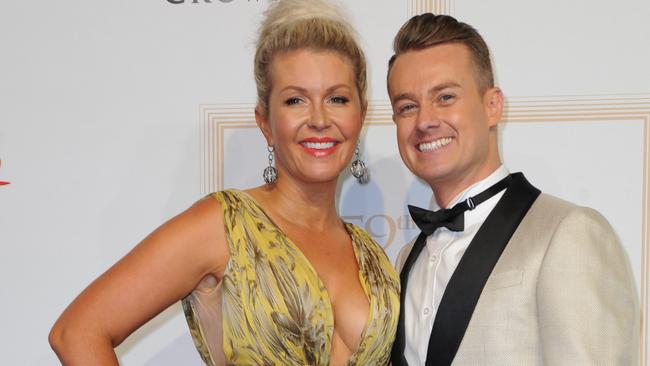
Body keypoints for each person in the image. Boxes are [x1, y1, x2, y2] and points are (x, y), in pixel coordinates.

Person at [48, 0, 400, 365]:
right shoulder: (224, 225)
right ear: (265, 122)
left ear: (360, 116)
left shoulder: (371, 255)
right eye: (295, 100)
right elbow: (77, 331)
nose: (319, 119)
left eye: (337, 98)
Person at [386, 13, 638, 366]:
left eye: (445, 97)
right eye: (407, 106)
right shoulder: (405, 259)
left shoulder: (568, 233)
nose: (425, 120)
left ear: (492, 106)